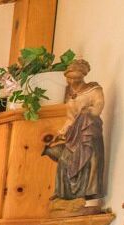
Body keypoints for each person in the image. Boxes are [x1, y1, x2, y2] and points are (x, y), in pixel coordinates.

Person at [43, 59, 106, 208]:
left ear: (82, 77)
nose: (72, 81)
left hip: (88, 130)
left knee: (88, 159)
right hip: (74, 133)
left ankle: (86, 192)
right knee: (64, 159)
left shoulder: (94, 89)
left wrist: (88, 111)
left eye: (75, 78)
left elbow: (98, 107)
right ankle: (64, 193)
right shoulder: (69, 93)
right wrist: (61, 132)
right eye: (69, 78)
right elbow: (70, 118)